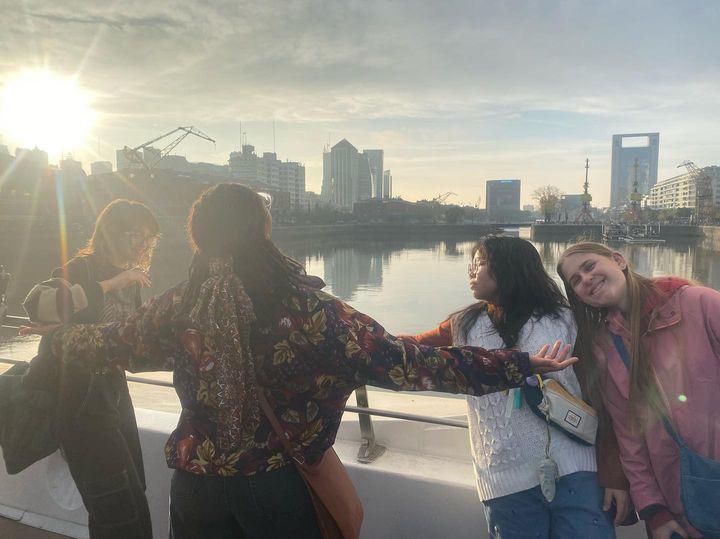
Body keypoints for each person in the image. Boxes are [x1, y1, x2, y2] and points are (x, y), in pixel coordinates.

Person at [37, 184, 578, 539]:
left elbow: (109, 344)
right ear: (264, 231)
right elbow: (409, 362)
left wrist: (59, 334)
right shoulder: (310, 312)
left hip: (196, 488)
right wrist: (518, 364)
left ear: (198, 238)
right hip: (276, 490)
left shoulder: (180, 305)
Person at [404, 236, 628, 538]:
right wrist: (348, 342)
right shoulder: (462, 326)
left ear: (509, 268)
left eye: (480, 263)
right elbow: (408, 351)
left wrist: (615, 476)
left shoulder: (566, 320)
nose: (471, 270)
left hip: (578, 470)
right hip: (504, 478)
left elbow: (606, 399)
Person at [557, 242, 720, 539]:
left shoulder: (699, 303)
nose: (586, 280)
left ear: (619, 260)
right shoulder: (606, 348)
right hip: (677, 506)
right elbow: (628, 435)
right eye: (575, 281)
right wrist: (653, 511)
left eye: (589, 266)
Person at [23, 199, 159, 538]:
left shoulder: (133, 280)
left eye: (148, 238)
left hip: (114, 394)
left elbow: (129, 339)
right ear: (111, 233)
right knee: (117, 512)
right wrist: (115, 282)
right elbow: (44, 307)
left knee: (134, 497)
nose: (142, 244)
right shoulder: (79, 269)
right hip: (79, 402)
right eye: (134, 235)